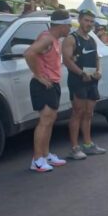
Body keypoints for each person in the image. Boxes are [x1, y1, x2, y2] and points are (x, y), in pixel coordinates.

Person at [23, 10, 71, 172]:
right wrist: (39, 76)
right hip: (44, 85)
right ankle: (37, 160)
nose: (70, 28)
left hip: (52, 84)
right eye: (69, 25)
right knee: (44, 121)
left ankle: (45, 154)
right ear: (62, 25)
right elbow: (29, 53)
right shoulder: (47, 38)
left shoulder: (54, 39)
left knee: (50, 120)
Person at [63, 10, 107, 160]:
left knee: (89, 113)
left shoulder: (92, 39)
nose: (89, 24)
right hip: (78, 81)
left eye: (91, 21)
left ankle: (88, 145)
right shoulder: (71, 39)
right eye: (86, 20)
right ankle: (74, 148)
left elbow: (97, 58)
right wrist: (81, 74)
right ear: (80, 20)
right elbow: (67, 61)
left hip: (92, 81)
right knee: (78, 112)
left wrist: (99, 71)